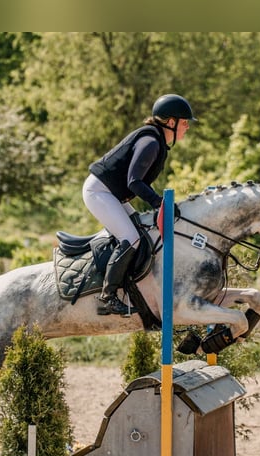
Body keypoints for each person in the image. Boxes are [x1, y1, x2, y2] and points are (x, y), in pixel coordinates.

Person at [83, 93, 196, 316]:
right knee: (131, 238)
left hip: (111, 194)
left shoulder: (156, 140)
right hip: (99, 192)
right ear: (170, 122)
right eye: (184, 123)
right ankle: (107, 298)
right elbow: (134, 182)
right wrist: (159, 203)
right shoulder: (151, 142)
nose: (187, 128)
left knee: (141, 234)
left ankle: (128, 286)